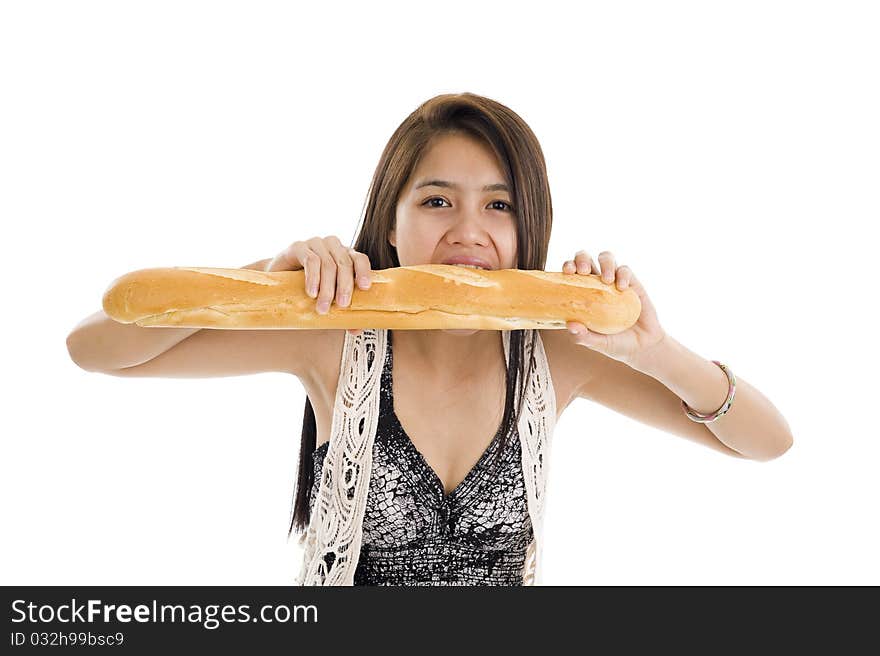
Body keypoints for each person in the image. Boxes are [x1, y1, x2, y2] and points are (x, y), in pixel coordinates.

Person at [66, 92, 794, 586]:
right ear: (392, 225)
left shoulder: (559, 352)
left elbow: (768, 441)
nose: (468, 230)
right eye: (437, 200)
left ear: (526, 229)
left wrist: (653, 349)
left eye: (498, 204)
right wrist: (261, 281)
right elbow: (96, 348)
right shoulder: (333, 337)